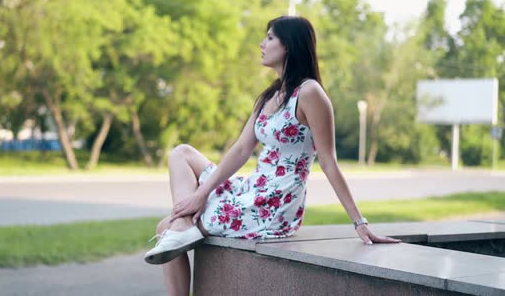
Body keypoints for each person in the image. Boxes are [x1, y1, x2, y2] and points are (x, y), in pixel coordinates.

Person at [144, 15, 401, 295]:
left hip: (274, 204)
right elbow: (241, 150)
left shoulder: (310, 93)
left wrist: (359, 222)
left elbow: (328, 161)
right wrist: (201, 193)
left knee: (164, 228)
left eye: (269, 38)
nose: (261, 44)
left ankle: (180, 229)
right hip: (251, 188)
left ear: (288, 45)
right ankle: (183, 226)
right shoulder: (270, 95)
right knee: (181, 154)